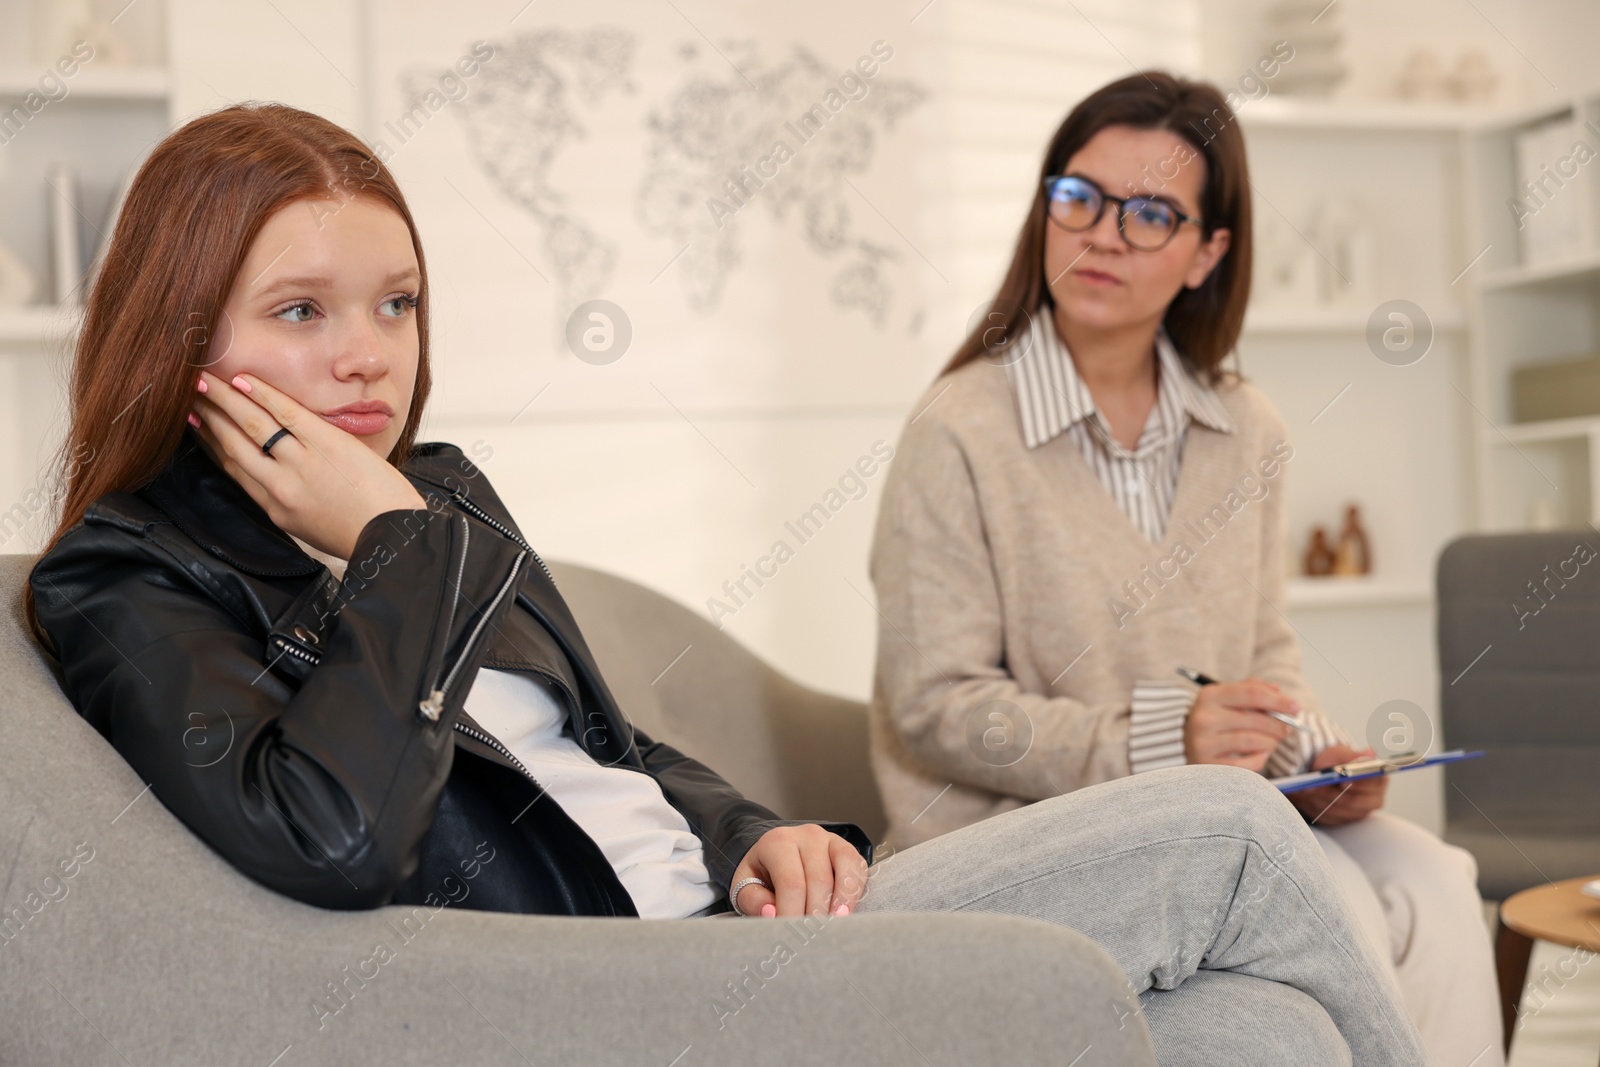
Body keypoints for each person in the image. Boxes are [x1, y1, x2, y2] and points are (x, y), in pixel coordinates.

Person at [27, 102, 1429, 1065]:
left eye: (396, 301)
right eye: (301, 311)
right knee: (1229, 834)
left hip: (734, 919)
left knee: (1267, 1035)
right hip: (631, 989)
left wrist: (753, 828)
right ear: (182, 329)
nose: (368, 355)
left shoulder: (439, 488)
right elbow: (329, 838)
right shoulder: (129, 572)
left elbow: (609, 748)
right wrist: (395, 545)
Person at [866, 71, 1502, 1066]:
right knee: (1333, 898)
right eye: (1078, 196)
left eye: (1150, 212)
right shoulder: (957, 430)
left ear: (1208, 253)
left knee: (1435, 875)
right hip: (1024, 845)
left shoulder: (1245, 429)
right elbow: (934, 705)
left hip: (1224, 817)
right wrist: (1167, 739)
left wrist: (1309, 756)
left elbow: (1260, 653)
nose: (1101, 233)